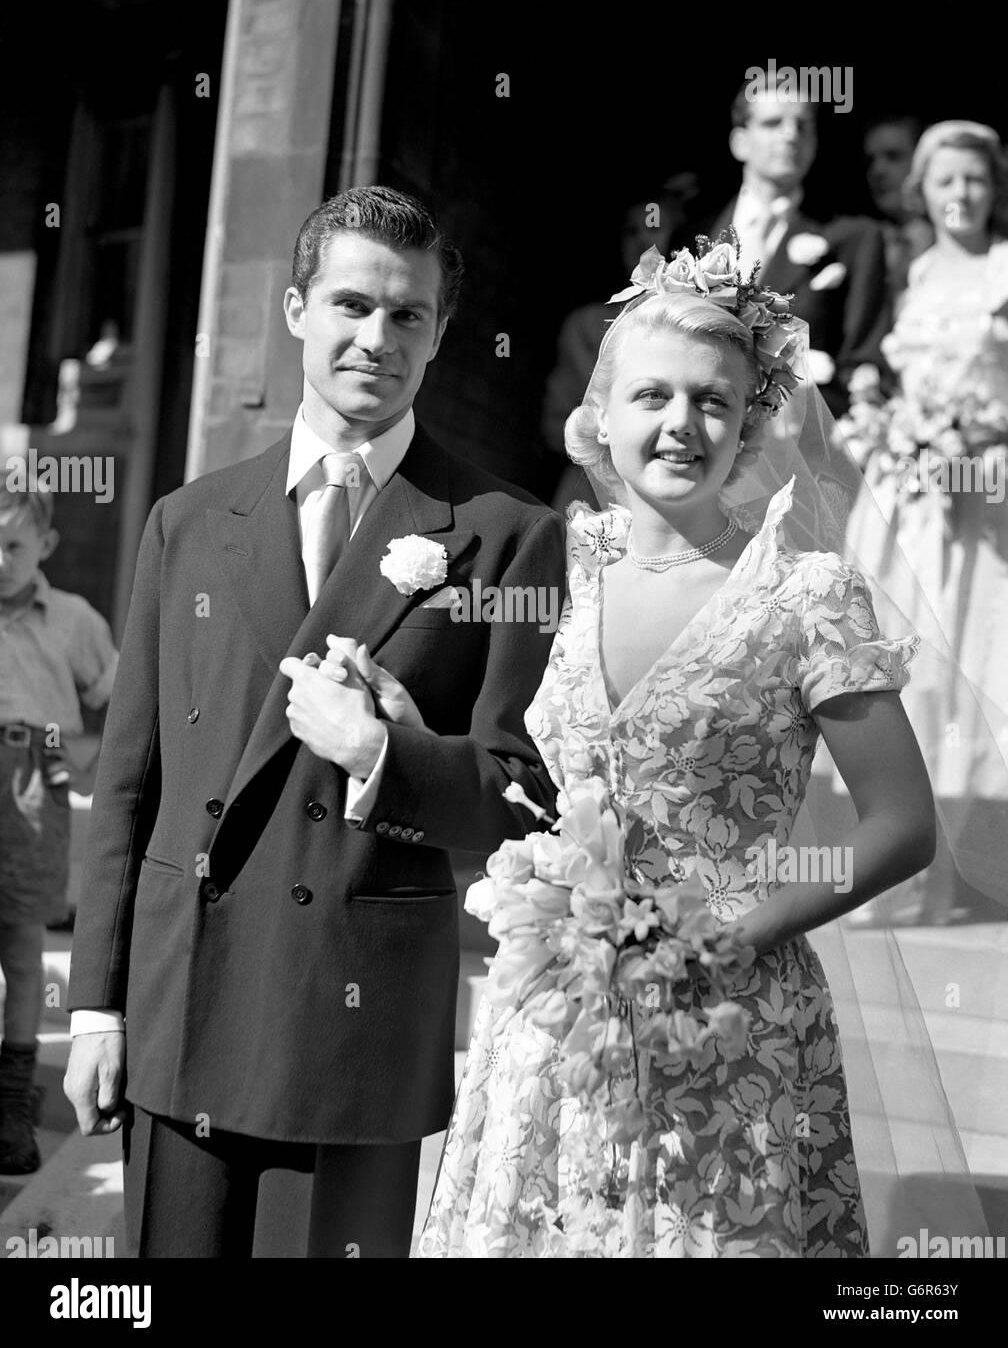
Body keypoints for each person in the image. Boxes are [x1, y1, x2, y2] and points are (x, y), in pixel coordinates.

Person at [63, 186, 565, 1258]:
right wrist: (95, 1008)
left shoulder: (507, 534)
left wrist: (387, 753)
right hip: (185, 998)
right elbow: (129, 780)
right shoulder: (188, 519)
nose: (375, 338)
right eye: (349, 304)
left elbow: (523, 795)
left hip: (354, 1018)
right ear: (295, 309)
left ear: (439, 334)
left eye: (408, 316)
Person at [414, 241, 942, 1257]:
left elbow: (903, 823)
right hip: (555, 1016)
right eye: (651, 394)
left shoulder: (807, 595)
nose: (681, 423)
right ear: (598, 417)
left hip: (732, 1023)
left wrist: (737, 925)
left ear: (749, 423)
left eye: (714, 400)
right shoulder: (550, 572)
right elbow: (495, 760)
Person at [843, 121, 1008, 926]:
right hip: (907, 494)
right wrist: (879, 413)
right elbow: (873, 361)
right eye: (945, 178)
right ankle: (893, 865)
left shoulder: (1004, 269)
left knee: (967, 664)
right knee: (900, 661)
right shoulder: (908, 267)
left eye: (975, 179)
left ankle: (949, 875)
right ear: (924, 187)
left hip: (982, 496)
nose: (961, 194)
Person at [0, 487, 117, 1174]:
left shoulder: (71, 619)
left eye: (14, 545)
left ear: (44, 547)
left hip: (32, 791)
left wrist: (75, 770)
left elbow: (120, 697)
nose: (1, 559)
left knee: (21, 947)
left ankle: (13, 1107)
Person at [703, 71, 890, 416]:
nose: (791, 135)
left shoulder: (855, 237)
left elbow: (863, 364)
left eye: (803, 125)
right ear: (739, 142)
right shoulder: (695, 230)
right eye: (774, 123)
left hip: (803, 439)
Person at [541, 187, 694, 511]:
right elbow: (555, 425)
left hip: (685, 485)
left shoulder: (702, 329)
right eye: (631, 231)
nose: (641, 242)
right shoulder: (586, 325)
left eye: (654, 228)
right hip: (596, 494)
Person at [862, 114, 933, 302]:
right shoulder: (864, 244)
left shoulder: (960, 240)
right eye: (871, 161)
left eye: (893, 156)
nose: (877, 171)